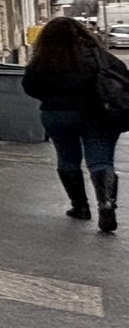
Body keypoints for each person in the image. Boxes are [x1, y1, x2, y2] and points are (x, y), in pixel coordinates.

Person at [22, 16, 128, 234]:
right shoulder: (99, 57)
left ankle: (79, 207)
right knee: (101, 160)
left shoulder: (43, 59)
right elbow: (122, 79)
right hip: (97, 115)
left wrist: (52, 96)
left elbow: (29, 86)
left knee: (67, 158)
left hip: (57, 114)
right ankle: (106, 204)